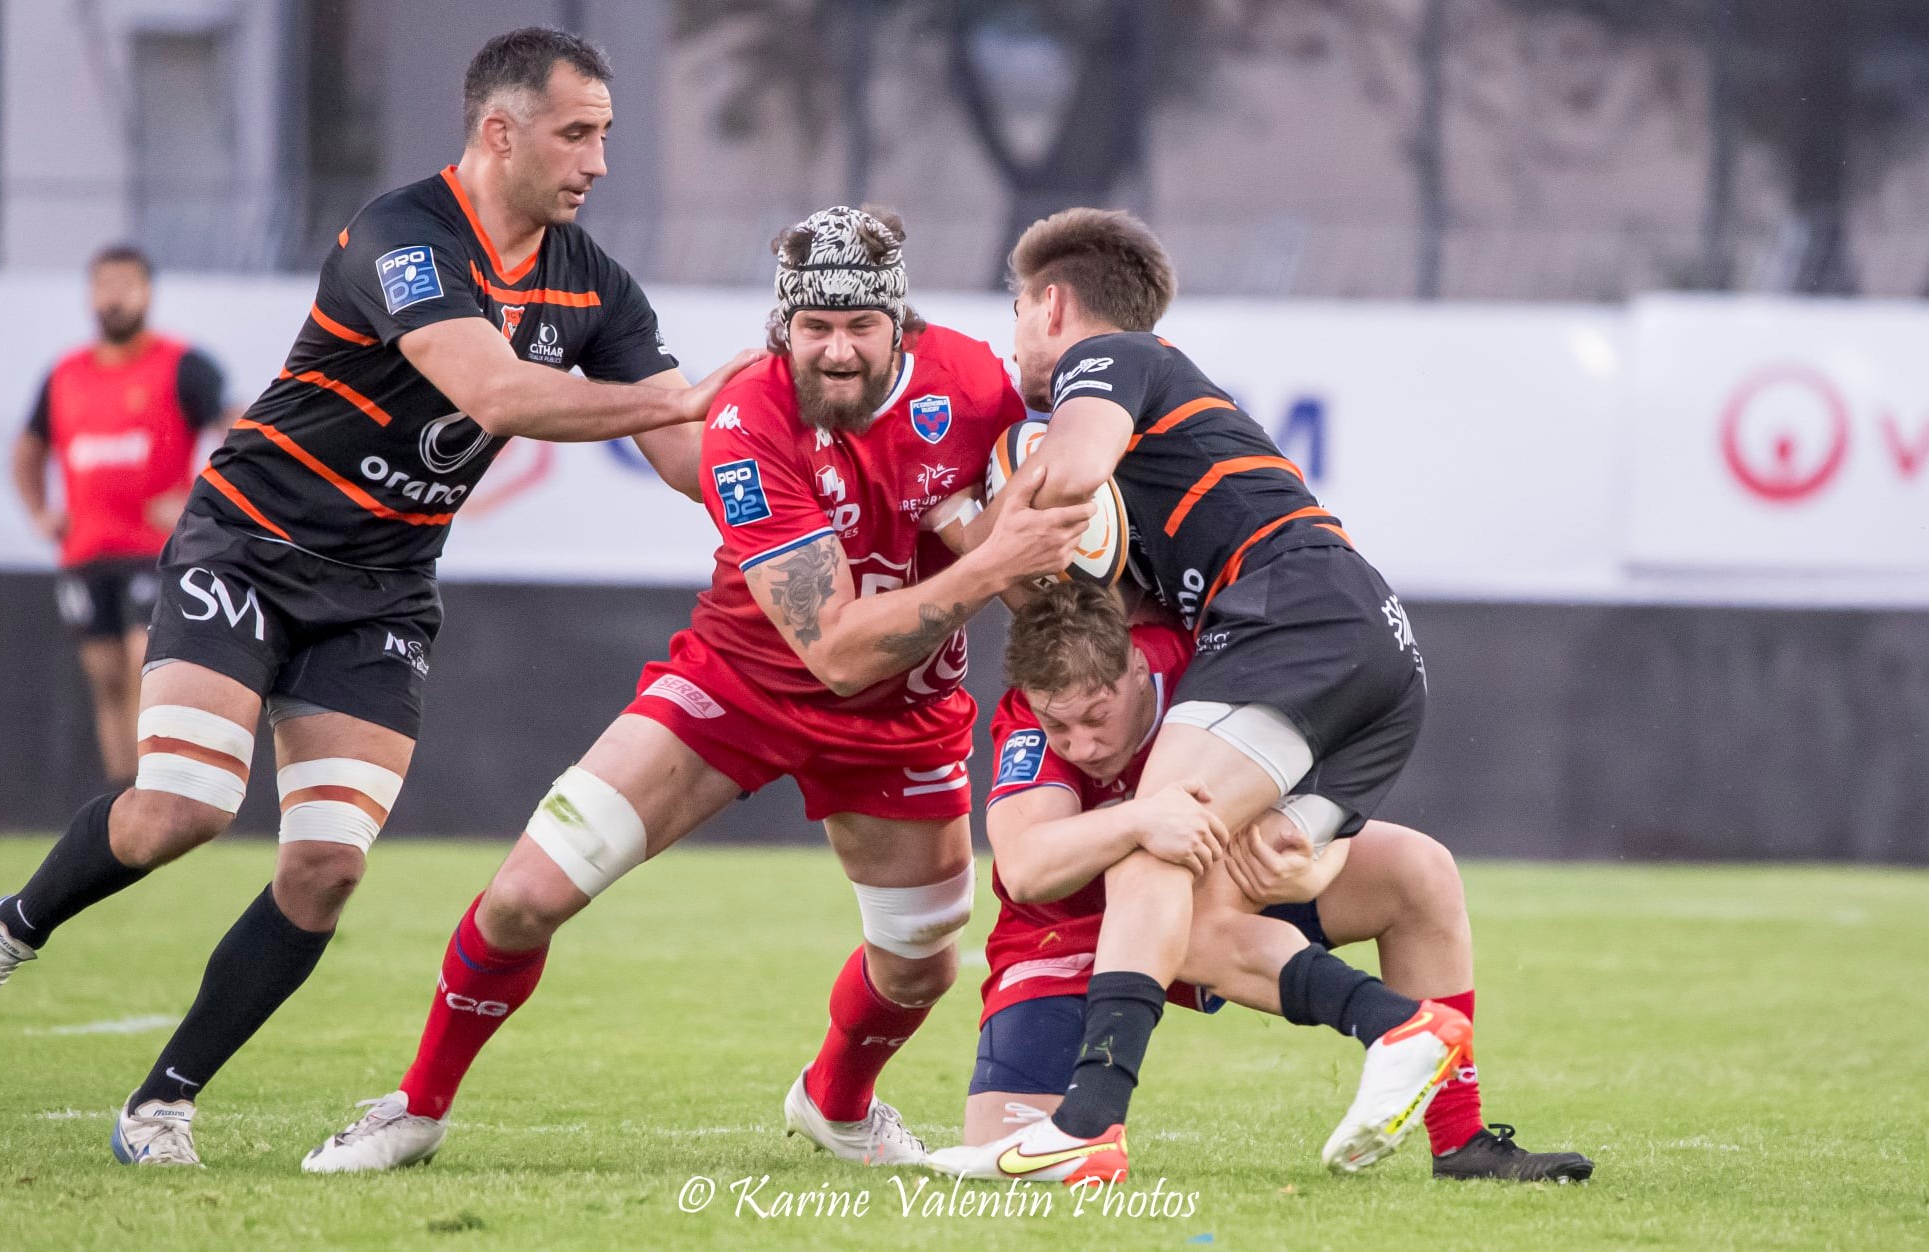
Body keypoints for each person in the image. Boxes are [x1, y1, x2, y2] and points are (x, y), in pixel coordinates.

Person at [0, 27, 757, 1168]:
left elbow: (682, 451)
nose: (599, 162)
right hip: (250, 544)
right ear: (499, 130)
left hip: (382, 589)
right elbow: (494, 390)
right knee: (183, 804)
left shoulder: (591, 280)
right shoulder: (403, 235)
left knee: (326, 866)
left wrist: (776, 500)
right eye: (578, 134)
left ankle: (161, 1103)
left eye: (607, 136)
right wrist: (685, 400)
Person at [296, 204, 1092, 1174]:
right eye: (814, 328)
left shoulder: (973, 383)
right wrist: (993, 558)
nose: (836, 351)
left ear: (902, 325)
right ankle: (414, 1107)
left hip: (905, 715)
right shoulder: (747, 416)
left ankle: (836, 1104)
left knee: (921, 962)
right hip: (738, 685)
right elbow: (835, 649)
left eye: (860, 327)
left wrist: (1029, 531)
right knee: (522, 898)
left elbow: (1033, 515)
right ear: (780, 329)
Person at [932, 207, 1464, 1182]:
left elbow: (1074, 470)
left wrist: (971, 533)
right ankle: (1454, 1121)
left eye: (1016, 313)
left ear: (1051, 304)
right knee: (1215, 912)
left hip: (1290, 612)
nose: (1015, 342)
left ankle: (1089, 1126)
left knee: (1151, 838)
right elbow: (1090, 552)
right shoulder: (1163, 458)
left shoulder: (1108, 359)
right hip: (1377, 646)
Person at [948, 584, 1594, 1182]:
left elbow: (1327, 766)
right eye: (1060, 727)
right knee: (1007, 1173)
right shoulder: (1029, 725)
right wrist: (1142, 816)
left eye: (1096, 716)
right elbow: (1027, 867)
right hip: (1062, 941)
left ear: (1136, 668)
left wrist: (1316, 856)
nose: (1081, 745)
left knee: (1419, 872)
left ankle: (1461, 1141)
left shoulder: (1198, 667)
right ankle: (1397, 1024)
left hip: (1213, 895)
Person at [10, 245, 231, 787]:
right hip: (87, 551)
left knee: (143, 663)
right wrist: (40, 511)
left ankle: (160, 790)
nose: (112, 297)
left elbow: (239, 430)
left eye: (124, 284)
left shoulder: (182, 364)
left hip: (154, 550)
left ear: (146, 292)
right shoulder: (65, 374)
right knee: (106, 676)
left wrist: (200, 499)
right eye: (102, 285)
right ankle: (123, 796)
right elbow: (27, 449)